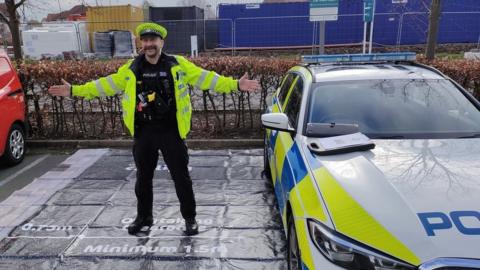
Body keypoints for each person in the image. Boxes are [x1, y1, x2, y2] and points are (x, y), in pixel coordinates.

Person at [48, 22, 260, 236]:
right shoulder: (131, 68)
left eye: (153, 40)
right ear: (142, 43)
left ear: (161, 42)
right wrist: (75, 90)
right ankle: (144, 218)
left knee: (181, 178)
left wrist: (234, 85)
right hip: (144, 132)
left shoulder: (177, 64)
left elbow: (206, 78)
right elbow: (105, 85)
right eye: (145, 40)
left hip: (171, 132)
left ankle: (190, 219)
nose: (149, 44)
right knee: (143, 179)